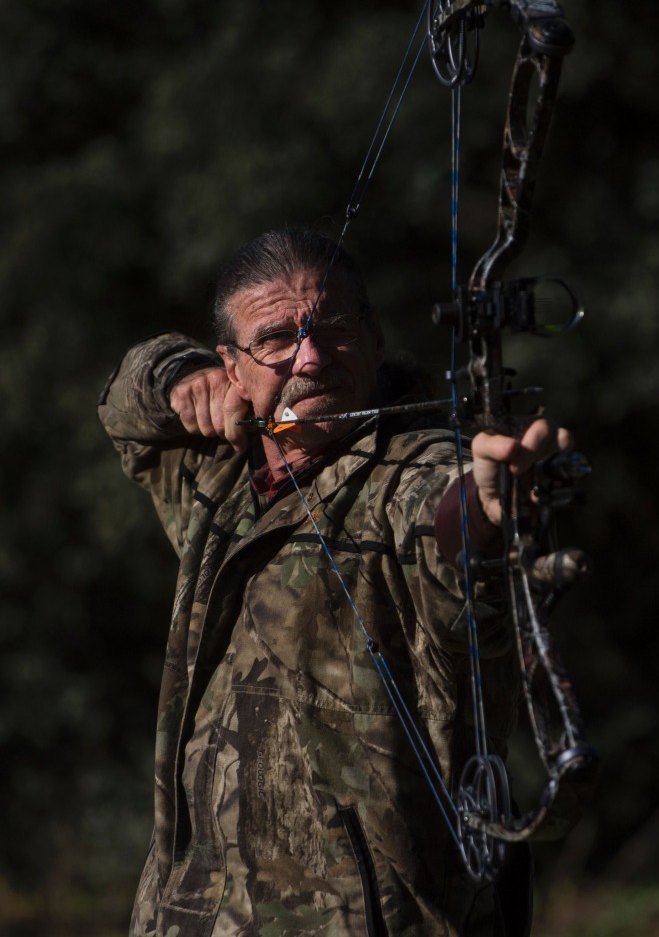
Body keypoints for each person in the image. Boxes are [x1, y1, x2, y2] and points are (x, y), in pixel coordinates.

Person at [99, 227, 572, 937]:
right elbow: (121, 404)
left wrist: (488, 507)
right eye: (277, 338)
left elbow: (444, 523)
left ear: (376, 337)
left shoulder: (409, 471)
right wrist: (178, 377)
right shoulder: (219, 470)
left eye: (334, 328)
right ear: (233, 366)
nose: (310, 357)